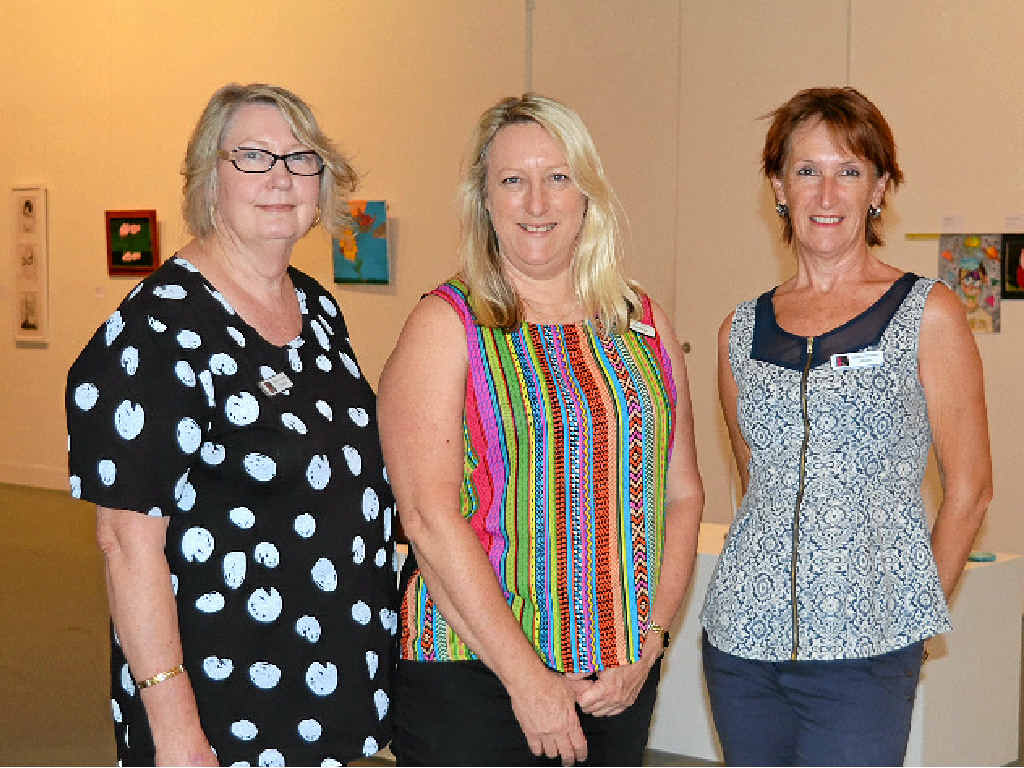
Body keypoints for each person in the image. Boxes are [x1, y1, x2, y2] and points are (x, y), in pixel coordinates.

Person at [65, 83, 396, 766]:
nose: (279, 177)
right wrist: (177, 732)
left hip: (324, 683)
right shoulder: (157, 329)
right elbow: (127, 544)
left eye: (299, 158)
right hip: (222, 701)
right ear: (207, 178)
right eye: (251, 156)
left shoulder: (317, 308)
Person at [377, 93, 704, 766]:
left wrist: (651, 642)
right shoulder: (447, 327)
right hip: (474, 681)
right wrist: (528, 682)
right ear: (484, 200)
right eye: (512, 181)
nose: (537, 202)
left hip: (616, 681)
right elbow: (429, 519)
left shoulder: (641, 321)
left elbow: (683, 495)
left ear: (588, 194)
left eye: (558, 177)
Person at [700, 86, 992, 766]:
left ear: (880, 188)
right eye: (807, 171)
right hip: (741, 645)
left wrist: (912, 626)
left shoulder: (930, 313)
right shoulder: (738, 330)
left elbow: (971, 490)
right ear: (777, 187)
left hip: (867, 651)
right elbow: (754, 477)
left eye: (850, 170)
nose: (826, 193)